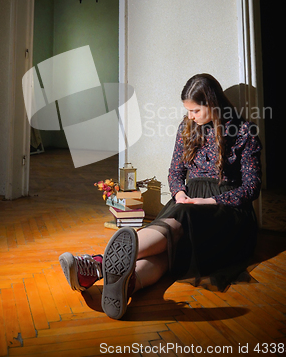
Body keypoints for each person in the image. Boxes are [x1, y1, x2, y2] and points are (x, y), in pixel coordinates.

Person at [59, 73, 262, 320]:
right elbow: (175, 171)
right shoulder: (187, 128)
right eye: (187, 110)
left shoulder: (243, 132)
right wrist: (179, 192)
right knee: (169, 252)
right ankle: (128, 284)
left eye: (195, 110)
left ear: (213, 104)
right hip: (187, 200)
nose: (190, 116)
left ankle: (97, 265)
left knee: (178, 226)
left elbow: (251, 188)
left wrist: (207, 202)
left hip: (226, 210)